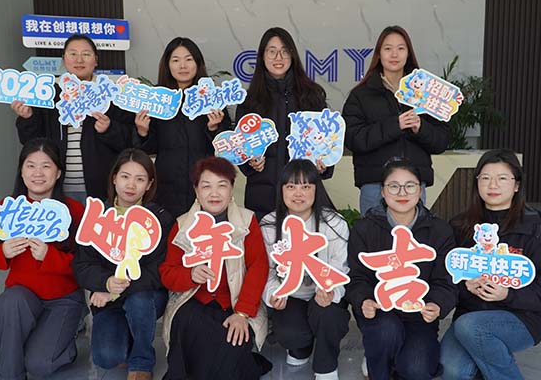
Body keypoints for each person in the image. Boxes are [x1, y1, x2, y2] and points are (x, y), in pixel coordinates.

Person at [440, 149, 541, 380]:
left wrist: (508, 294)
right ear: (477, 182)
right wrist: (464, 286)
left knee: (472, 328)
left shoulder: (536, 228)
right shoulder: (460, 225)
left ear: (516, 185)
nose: (493, 185)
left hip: (521, 316)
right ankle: (488, 357)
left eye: (502, 178)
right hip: (471, 311)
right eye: (485, 178)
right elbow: (443, 276)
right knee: (453, 370)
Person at [0, 138, 86, 380]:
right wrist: (3, 251)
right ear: (21, 171)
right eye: (31, 165)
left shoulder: (73, 211)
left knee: (39, 364)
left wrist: (51, 256)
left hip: (63, 299)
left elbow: (85, 264)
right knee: (11, 302)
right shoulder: (7, 209)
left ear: (58, 173)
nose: (38, 173)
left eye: (46, 166)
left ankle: (63, 344)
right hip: (21, 297)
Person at [159, 156, 271, 379]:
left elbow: (258, 267)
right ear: (196, 190)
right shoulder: (182, 225)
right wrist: (190, 274)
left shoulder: (247, 221)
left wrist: (242, 312)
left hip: (236, 302)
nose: (214, 193)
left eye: (222, 185)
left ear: (231, 189)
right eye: (206, 186)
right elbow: (168, 273)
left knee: (231, 343)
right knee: (190, 328)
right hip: (192, 301)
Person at [345, 158, 457, 380]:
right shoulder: (364, 228)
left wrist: (437, 304)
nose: (402, 192)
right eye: (394, 186)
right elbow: (356, 277)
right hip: (379, 310)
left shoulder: (439, 230)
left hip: (419, 314)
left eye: (410, 186)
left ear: (420, 190)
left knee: (416, 369)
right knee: (386, 332)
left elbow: (446, 281)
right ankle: (379, 361)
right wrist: (363, 300)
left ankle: (393, 357)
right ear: (382, 191)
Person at [72, 148, 174, 380]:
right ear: (114, 178)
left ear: (149, 185)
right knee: (107, 357)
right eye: (125, 176)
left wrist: (116, 291)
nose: (131, 185)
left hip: (145, 296)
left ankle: (142, 362)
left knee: (139, 302)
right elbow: (82, 264)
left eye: (140, 179)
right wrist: (105, 282)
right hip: (107, 299)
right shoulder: (97, 215)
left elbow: (158, 270)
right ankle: (130, 334)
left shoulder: (159, 218)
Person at [11, 34, 134, 203]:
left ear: (96, 60)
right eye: (73, 53)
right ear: (64, 59)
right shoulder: (48, 95)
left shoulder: (110, 95)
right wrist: (28, 118)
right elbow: (30, 142)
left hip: (102, 189)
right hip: (55, 189)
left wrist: (108, 129)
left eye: (86, 54)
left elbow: (130, 141)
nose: (79, 60)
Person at [342, 25, 450, 216]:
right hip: (375, 185)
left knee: (412, 234)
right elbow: (352, 138)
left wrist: (420, 128)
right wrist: (395, 125)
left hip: (413, 184)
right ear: (379, 54)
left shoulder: (424, 92)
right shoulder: (361, 95)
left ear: (408, 53)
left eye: (401, 48)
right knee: (374, 234)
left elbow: (442, 140)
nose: (394, 54)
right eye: (388, 48)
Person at [260, 159, 350, 380]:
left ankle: (326, 366)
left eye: (306, 186)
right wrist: (273, 293)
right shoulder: (270, 224)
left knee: (329, 316)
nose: (298, 193)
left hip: (323, 297)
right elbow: (267, 270)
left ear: (316, 189)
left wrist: (332, 292)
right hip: (292, 296)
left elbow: (341, 268)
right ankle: (302, 347)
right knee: (290, 334)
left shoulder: (334, 223)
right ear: (281, 190)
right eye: (291, 186)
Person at [236, 27, 332, 220]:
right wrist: (250, 162)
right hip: (262, 196)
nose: (278, 57)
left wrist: (325, 165)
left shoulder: (312, 96)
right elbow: (240, 148)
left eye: (284, 51)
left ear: (293, 55)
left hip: (303, 197)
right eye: (272, 51)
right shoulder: (249, 101)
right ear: (262, 56)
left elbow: (326, 143)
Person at [134, 37, 231, 218]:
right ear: (167, 65)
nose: (183, 66)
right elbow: (150, 148)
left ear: (198, 63)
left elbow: (226, 148)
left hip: (205, 185)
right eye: (176, 60)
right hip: (166, 186)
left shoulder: (212, 98)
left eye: (188, 59)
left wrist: (213, 129)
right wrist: (142, 131)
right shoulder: (157, 98)